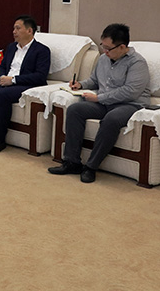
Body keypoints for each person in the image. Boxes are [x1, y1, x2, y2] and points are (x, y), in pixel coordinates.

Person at [48, 23, 150, 183]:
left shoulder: (137, 63)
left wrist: (99, 98)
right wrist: (81, 85)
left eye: (108, 48)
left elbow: (130, 91)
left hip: (130, 105)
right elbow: (95, 80)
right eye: (103, 46)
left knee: (111, 119)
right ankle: (72, 162)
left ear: (122, 47)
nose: (105, 51)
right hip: (104, 103)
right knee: (75, 109)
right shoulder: (103, 59)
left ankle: (91, 167)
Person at [0, 15, 50, 153]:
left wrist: (13, 80)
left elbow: (40, 76)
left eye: (18, 28)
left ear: (29, 31)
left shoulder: (42, 50)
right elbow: (2, 66)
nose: (14, 31)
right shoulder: (11, 47)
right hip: (6, 84)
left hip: (25, 87)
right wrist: (1, 77)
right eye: (13, 28)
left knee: (2, 94)